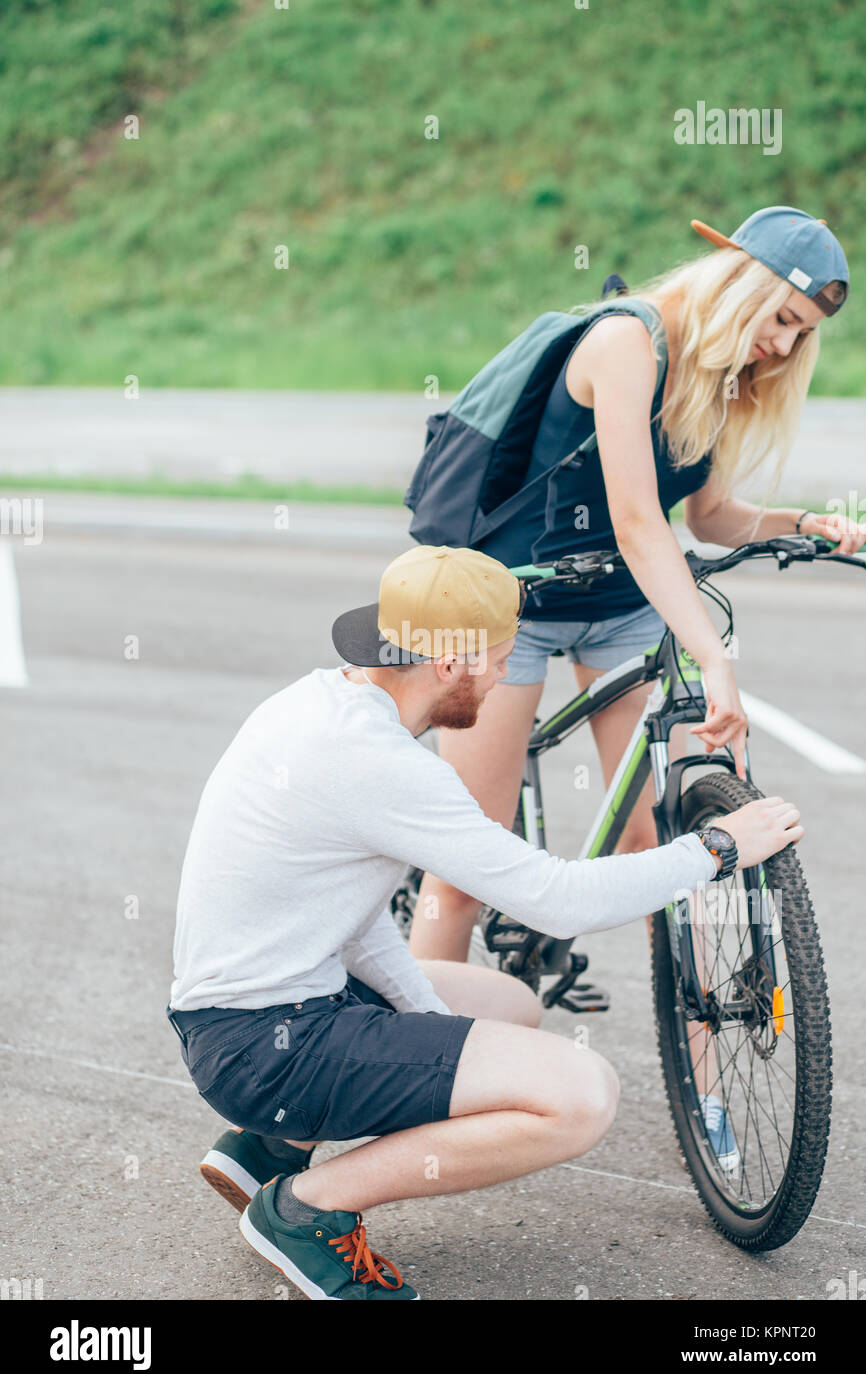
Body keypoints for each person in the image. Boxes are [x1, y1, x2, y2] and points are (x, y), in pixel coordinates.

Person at [166, 545, 803, 1300]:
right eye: (499, 661)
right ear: (448, 665)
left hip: (254, 1012)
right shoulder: (380, 765)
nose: (506, 678)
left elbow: (357, 922)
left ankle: (267, 1149)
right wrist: (717, 849)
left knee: (511, 1006)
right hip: (265, 1045)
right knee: (581, 1096)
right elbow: (559, 900)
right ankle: (306, 1212)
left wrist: (432, 1034)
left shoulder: (320, 702)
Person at [409, 207, 861, 955]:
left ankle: (707, 1070)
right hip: (505, 596)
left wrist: (798, 521)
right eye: (781, 318)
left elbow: (709, 518)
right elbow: (638, 522)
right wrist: (714, 657)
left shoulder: (724, 373)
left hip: (618, 602)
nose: (783, 345)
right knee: (469, 866)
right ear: (740, 283)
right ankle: (430, 1058)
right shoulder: (627, 341)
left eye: (802, 333)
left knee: (664, 848)